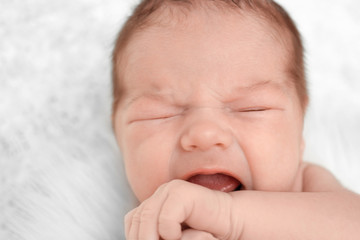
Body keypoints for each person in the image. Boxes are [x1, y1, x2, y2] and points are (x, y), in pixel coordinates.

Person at [111, 0, 360, 239]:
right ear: (118, 133)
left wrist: (227, 217)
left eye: (252, 109)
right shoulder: (145, 216)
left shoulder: (308, 187)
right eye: (160, 114)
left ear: (300, 125)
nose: (205, 134)